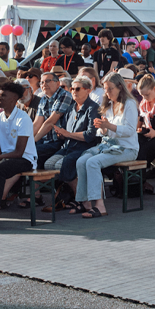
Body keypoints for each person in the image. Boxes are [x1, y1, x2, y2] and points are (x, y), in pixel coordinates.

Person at [71, 72, 139, 218]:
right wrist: (102, 128)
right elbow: (105, 133)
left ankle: (100, 206)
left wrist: (109, 126)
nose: (107, 93)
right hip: (109, 145)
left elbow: (130, 130)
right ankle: (85, 202)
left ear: (120, 87)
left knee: (93, 162)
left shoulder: (130, 103)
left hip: (127, 148)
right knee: (81, 161)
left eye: (110, 89)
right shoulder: (109, 104)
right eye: (105, 89)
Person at [40, 76, 101, 211]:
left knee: (61, 165)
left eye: (77, 89)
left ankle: (81, 199)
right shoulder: (71, 108)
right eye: (72, 88)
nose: (73, 91)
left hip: (85, 147)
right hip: (68, 146)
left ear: (88, 90)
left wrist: (68, 134)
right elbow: (65, 131)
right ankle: (70, 195)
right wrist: (61, 134)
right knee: (48, 164)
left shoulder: (93, 108)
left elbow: (90, 135)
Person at [32, 71, 75, 168]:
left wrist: (33, 141)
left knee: (31, 152)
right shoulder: (43, 99)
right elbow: (37, 123)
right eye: (42, 82)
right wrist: (28, 140)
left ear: (58, 83)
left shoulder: (65, 95)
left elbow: (51, 122)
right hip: (45, 140)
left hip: (60, 141)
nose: (44, 84)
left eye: (48, 81)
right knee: (24, 151)